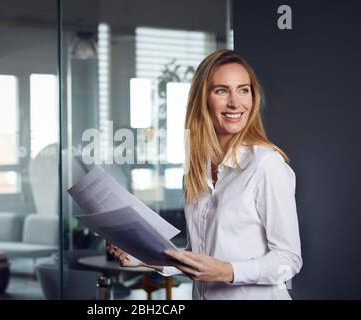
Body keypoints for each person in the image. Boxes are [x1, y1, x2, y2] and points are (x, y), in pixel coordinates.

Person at [107, 49, 302, 300]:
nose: (235, 102)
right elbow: (199, 257)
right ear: (203, 99)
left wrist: (225, 271)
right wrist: (143, 258)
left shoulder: (266, 164)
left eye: (244, 89)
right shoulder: (195, 172)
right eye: (222, 90)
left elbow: (289, 261)